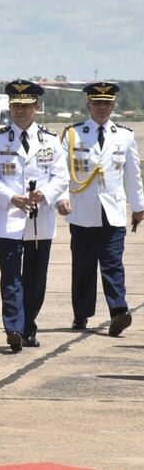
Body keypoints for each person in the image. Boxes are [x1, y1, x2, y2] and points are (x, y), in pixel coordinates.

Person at [0, 79, 68, 352]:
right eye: (16, 105)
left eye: (26, 106)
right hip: (8, 220)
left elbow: (61, 177)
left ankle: (28, 326)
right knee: (10, 277)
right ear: (10, 106)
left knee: (35, 278)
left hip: (39, 221)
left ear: (37, 107)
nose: (20, 111)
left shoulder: (51, 141)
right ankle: (13, 329)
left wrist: (45, 194)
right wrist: (11, 197)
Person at [56, 82, 144, 336]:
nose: (102, 107)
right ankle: (81, 314)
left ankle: (119, 311)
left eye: (107, 103)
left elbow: (133, 175)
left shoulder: (124, 135)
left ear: (113, 105)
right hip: (82, 211)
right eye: (97, 103)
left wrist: (138, 207)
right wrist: (61, 198)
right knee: (83, 265)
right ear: (88, 105)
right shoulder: (74, 134)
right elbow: (61, 172)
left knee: (112, 262)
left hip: (113, 211)